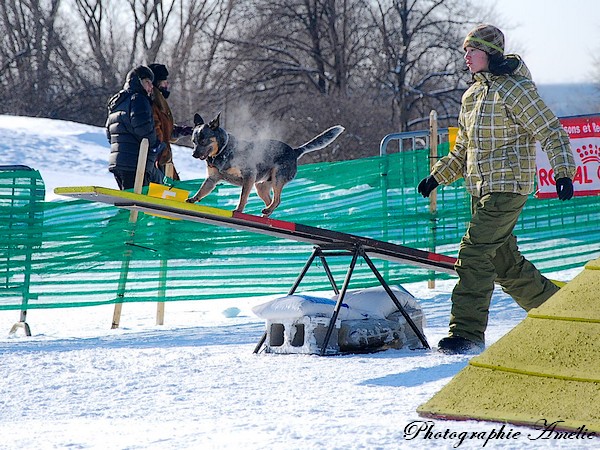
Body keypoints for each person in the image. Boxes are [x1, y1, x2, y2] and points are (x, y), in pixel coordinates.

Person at [417, 24, 576, 354]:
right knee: (505, 265)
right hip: (479, 189)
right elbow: (463, 150)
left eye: (470, 51)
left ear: (488, 53)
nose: (465, 57)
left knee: (473, 252)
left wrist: (563, 172)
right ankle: (565, 313)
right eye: (464, 52)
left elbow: (550, 131)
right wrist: (437, 177)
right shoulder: (472, 96)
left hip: (508, 187)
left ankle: (466, 332)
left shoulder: (514, 90)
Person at [106, 65, 165, 190]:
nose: (151, 87)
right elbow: (143, 128)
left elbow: (109, 133)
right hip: (135, 163)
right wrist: (155, 145)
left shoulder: (118, 100)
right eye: (148, 82)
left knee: (127, 201)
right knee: (138, 203)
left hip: (118, 162)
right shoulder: (138, 99)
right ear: (138, 81)